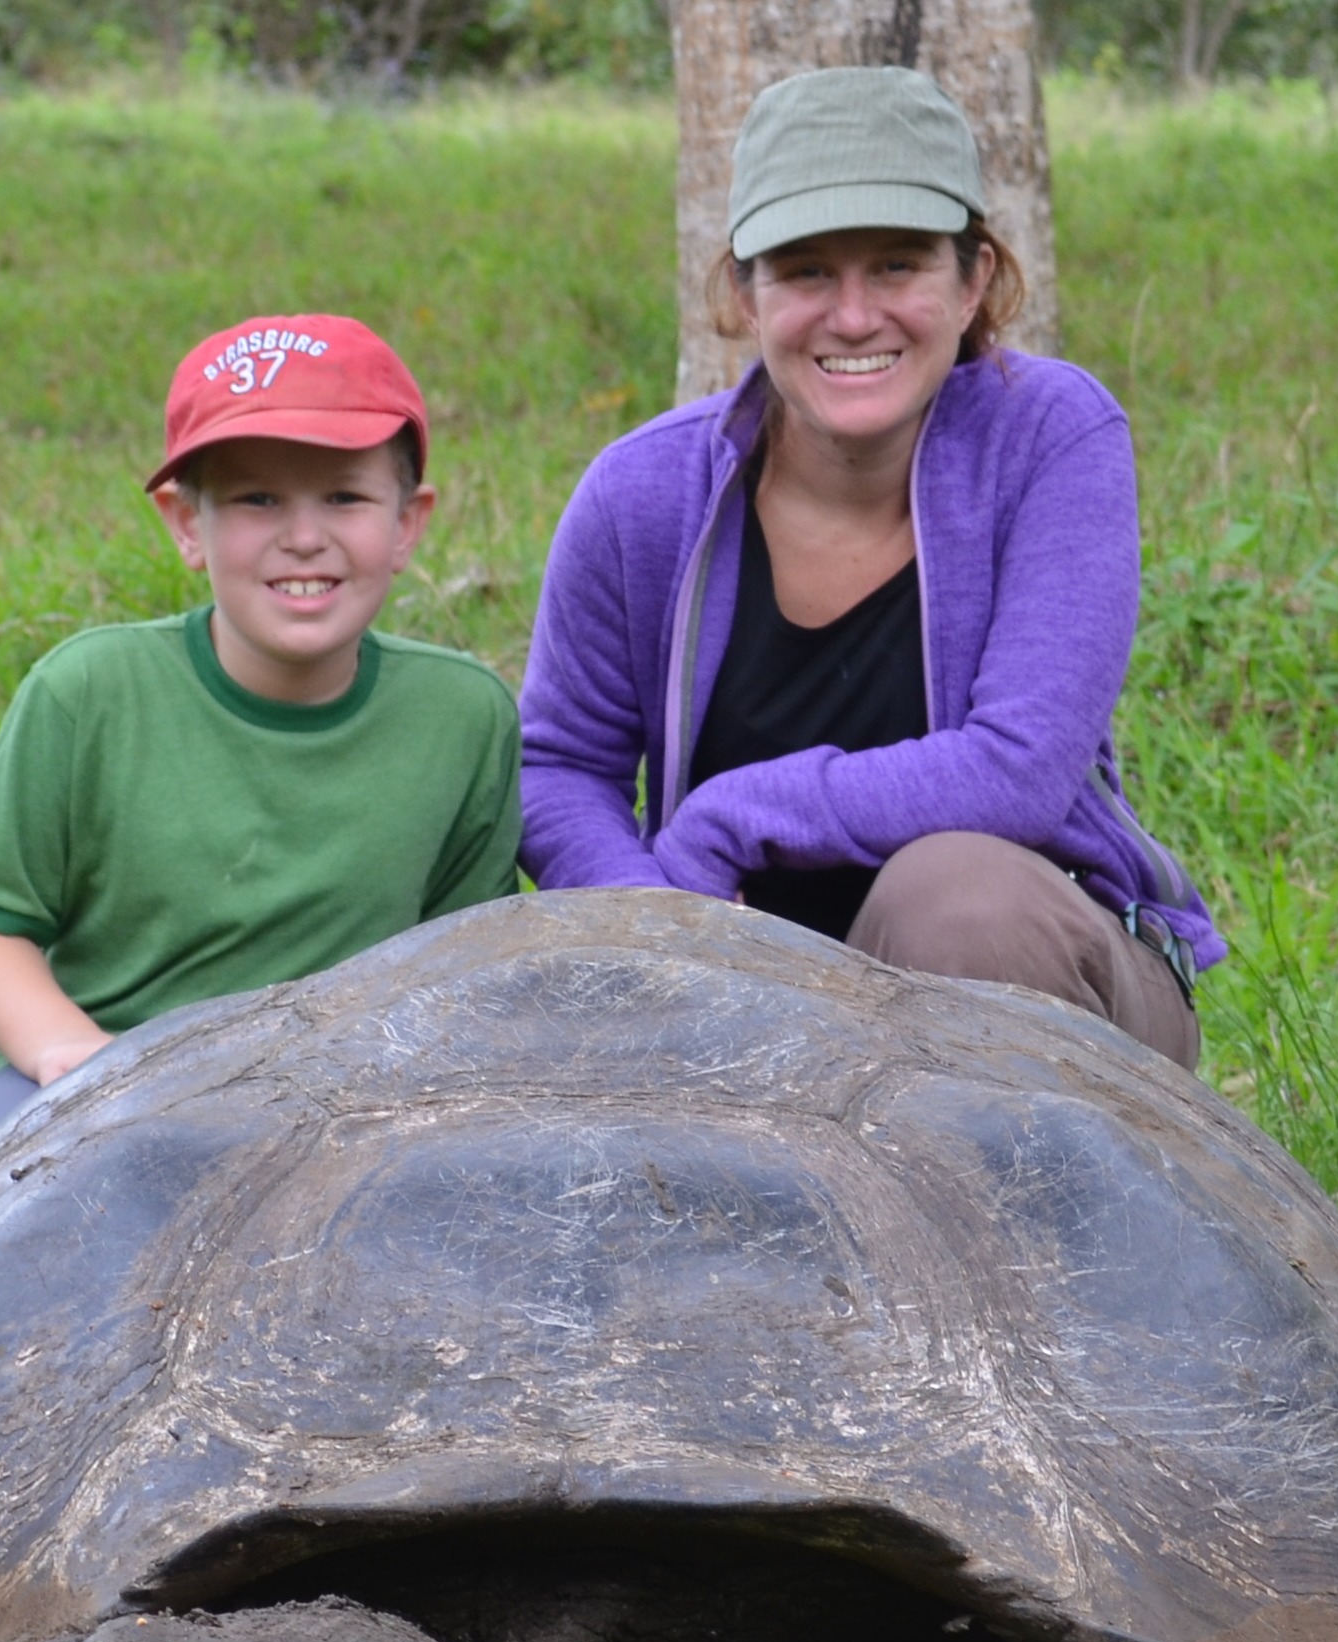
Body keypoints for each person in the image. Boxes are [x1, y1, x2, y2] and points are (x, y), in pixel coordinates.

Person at [519, 67, 1219, 1066]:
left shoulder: (1050, 437)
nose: (853, 318)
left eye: (896, 267)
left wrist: (733, 816)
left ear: (973, 278)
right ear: (740, 291)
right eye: (804, 271)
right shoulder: (641, 493)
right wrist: (653, 922)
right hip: (743, 998)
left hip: (1032, 978)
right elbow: (558, 765)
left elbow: (1016, 770)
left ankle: (1032, 1221)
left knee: (954, 902)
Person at [0, 315, 523, 1174]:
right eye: (257, 499)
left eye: (345, 497)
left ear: (407, 524)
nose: (304, 536)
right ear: (186, 525)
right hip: (97, 1062)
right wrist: (79, 1064)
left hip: (344, 1095)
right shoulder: (89, 692)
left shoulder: (463, 715)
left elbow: (460, 971)